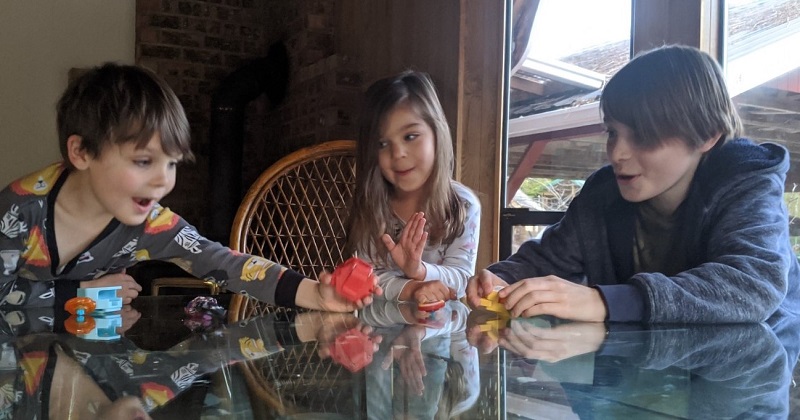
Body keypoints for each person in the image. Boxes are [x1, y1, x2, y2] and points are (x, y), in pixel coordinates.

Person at [0, 62, 380, 313]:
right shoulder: (18, 211)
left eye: (172, 163)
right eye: (143, 161)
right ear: (81, 152)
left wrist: (315, 293)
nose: (164, 180)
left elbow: (226, 264)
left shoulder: (147, 222)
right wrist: (84, 294)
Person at [467, 44, 800, 323]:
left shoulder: (746, 182)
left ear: (708, 135)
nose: (617, 153)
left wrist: (607, 302)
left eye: (643, 134)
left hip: (752, 378)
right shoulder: (603, 193)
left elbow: (752, 285)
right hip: (641, 383)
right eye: (613, 132)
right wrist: (503, 280)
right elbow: (545, 260)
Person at [345, 70, 481, 305]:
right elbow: (369, 277)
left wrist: (419, 271)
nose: (397, 153)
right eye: (382, 143)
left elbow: (462, 278)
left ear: (437, 134)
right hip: (379, 332)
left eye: (410, 136)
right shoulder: (372, 204)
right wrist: (412, 288)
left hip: (443, 332)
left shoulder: (462, 204)